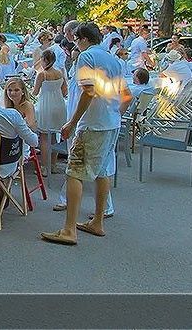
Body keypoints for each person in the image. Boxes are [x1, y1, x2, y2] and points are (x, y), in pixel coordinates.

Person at [42, 22, 132, 245]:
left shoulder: (86, 57)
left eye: (75, 39)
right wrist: (114, 114)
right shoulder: (114, 60)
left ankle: (69, 229)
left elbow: (88, 91)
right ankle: (98, 221)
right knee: (102, 172)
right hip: (111, 123)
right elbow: (126, 96)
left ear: (82, 39)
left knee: (74, 172)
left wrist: (72, 122)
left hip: (92, 124)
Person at [32, 50, 68, 173]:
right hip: (59, 104)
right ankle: (53, 165)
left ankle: (44, 167)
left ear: (44, 60)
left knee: (44, 137)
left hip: (45, 104)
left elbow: (35, 92)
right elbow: (65, 90)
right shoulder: (60, 73)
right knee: (54, 136)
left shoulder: (42, 74)